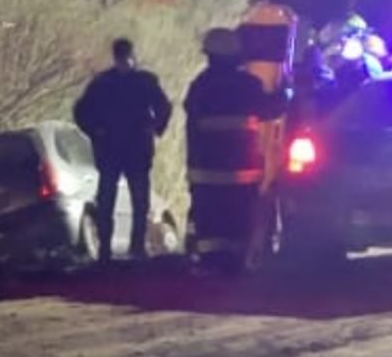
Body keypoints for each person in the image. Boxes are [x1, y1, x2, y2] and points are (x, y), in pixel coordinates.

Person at [184, 27, 278, 274]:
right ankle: (235, 263)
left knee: (208, 219)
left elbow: (192, 121)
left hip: (205, 171)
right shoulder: (249, 85)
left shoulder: (200, 86)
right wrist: (285, 93)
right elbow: (271, 110)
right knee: (238, 217)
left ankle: (210, 262)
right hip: (241, 171)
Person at [74, 38, 172, 263]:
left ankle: (135, 246)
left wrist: (156, 127)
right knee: (109, 200)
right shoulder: (106, 83)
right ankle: (107, 248)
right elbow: (82, 112)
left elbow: (163, 107)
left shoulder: (136, 82)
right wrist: (96, 131)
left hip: (129, 149)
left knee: (137, 201)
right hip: (116, 149)